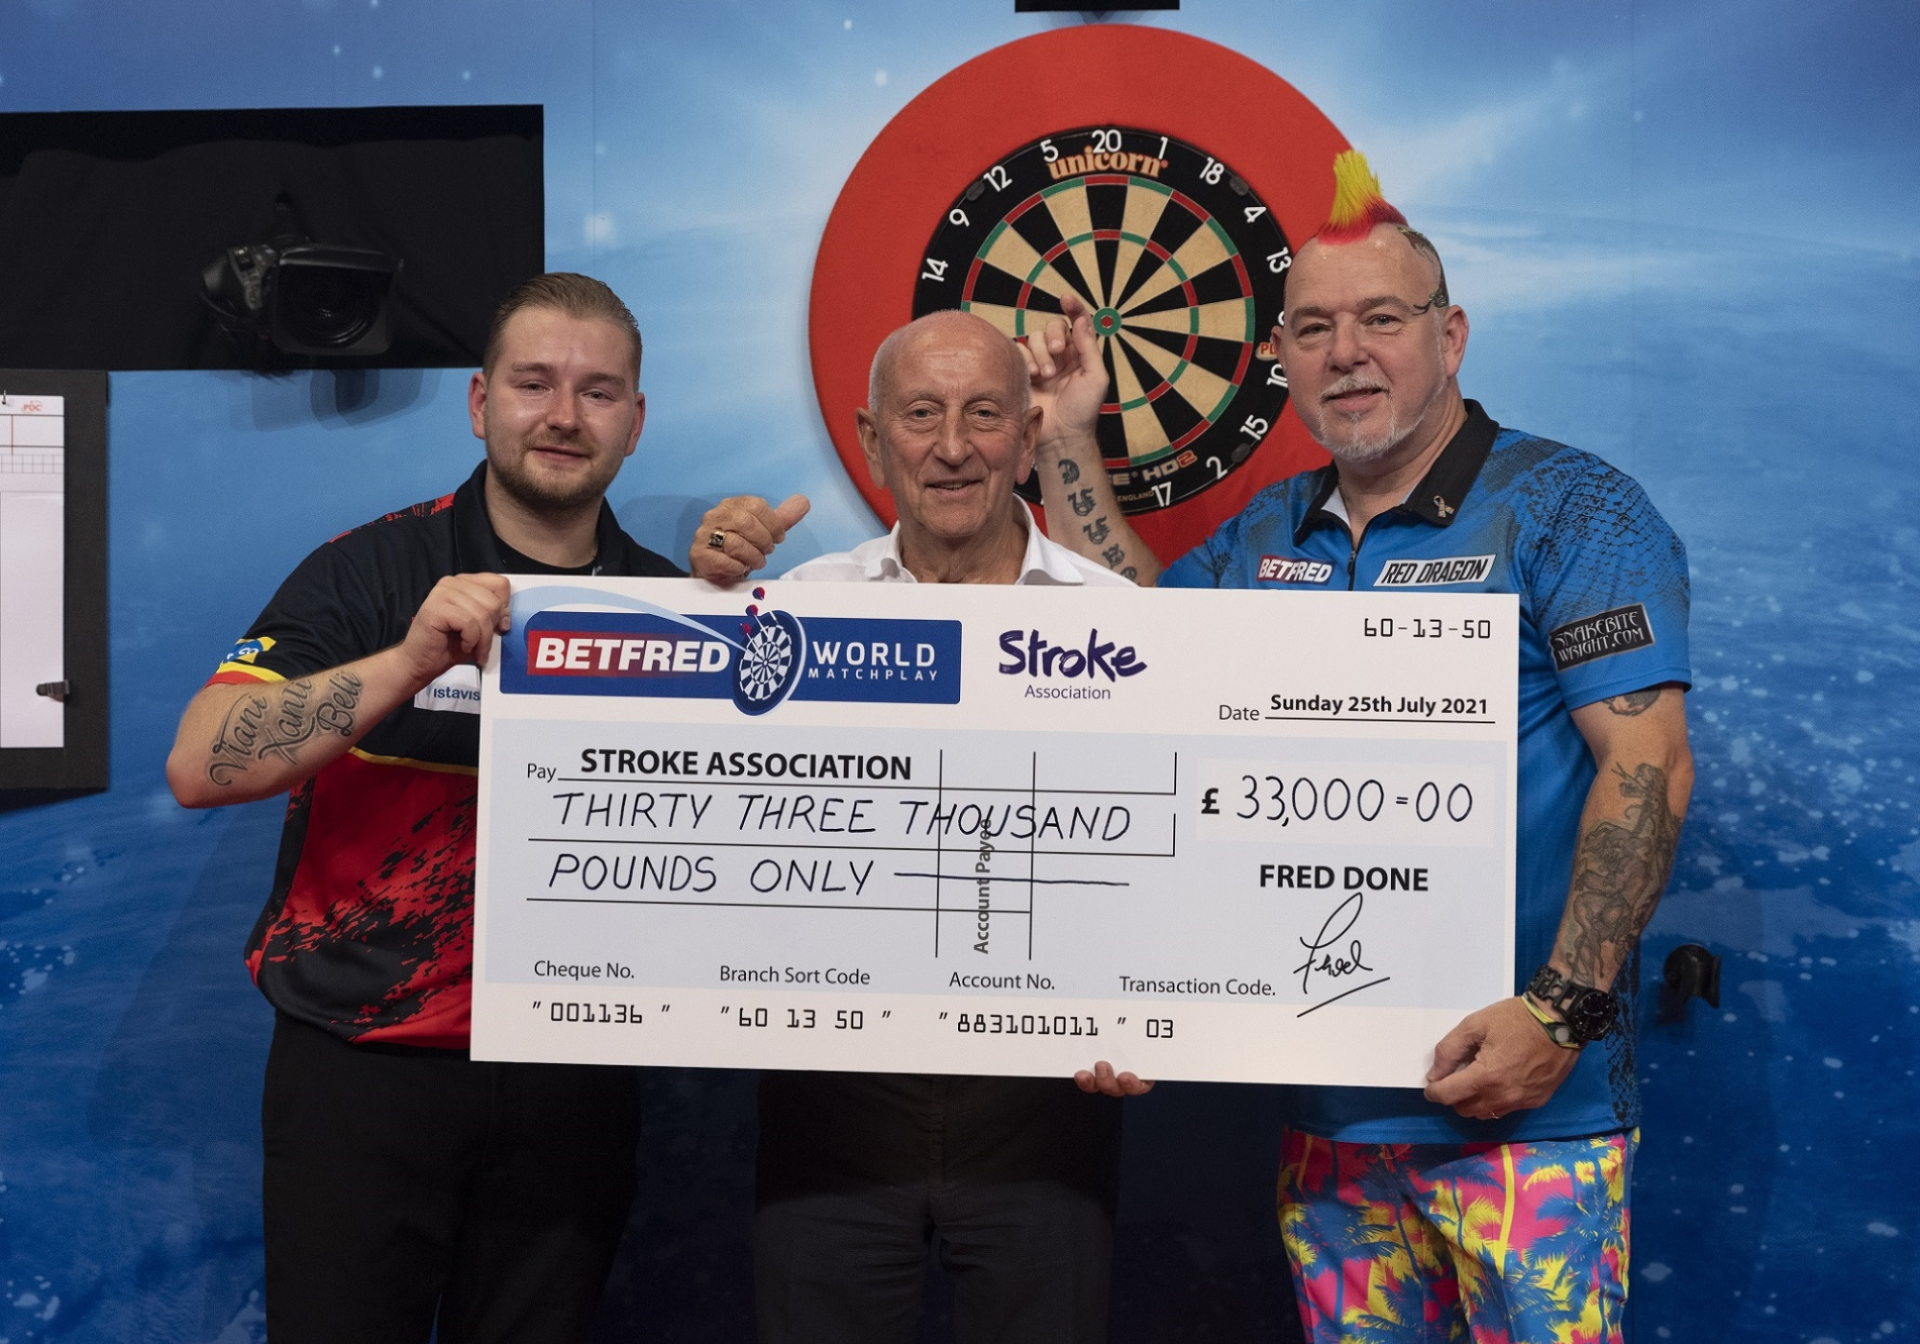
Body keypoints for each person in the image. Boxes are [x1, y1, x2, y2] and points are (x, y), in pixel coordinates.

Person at [1025, 152, 1694, 1343]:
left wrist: (1559, 1015)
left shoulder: (1573, 508)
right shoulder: (1268, 527)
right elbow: (1136, 655)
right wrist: (1072, 437)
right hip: (1329, 1122)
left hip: (1529, 1119)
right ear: (1280, 359)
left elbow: (1647, 769)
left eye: (1382, 319)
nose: (1347, 352)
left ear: (1452, 336)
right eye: (1315, 328)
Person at [165, 273, 681, 1344]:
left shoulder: (671, 609)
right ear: (479, 400)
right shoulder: (366, 572)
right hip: (362, 1075)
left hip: (569, 1087)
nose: (562, 415)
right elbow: (201, 764)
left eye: (597, 392)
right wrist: (404, 662)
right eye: (534, 383)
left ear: (635, 421)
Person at [691, 310, 1149, 1344]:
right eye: (922, 415)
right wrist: (702, 595)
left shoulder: (1116, 617)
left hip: (1046, 1112)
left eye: (986, 414)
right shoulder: (792, 609)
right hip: (831, 1113)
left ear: (1029, 438)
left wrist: (1157, 1007)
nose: (953, 447)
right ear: (868, 437)